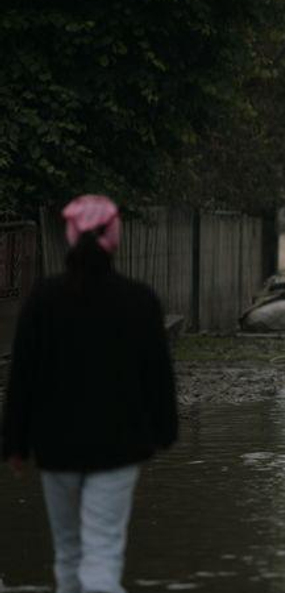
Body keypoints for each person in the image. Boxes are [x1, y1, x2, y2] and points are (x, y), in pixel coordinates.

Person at [1, 195, 178, 593]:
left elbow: (23, 376)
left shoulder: (42, 300)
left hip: (55, 449)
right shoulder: (139, 300)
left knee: (67, 555)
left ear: (68, 235)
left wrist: (14, 443)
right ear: (115, 235)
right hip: (118, 450)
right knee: (103, 552)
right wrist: (165, 433)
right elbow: (158, 377)